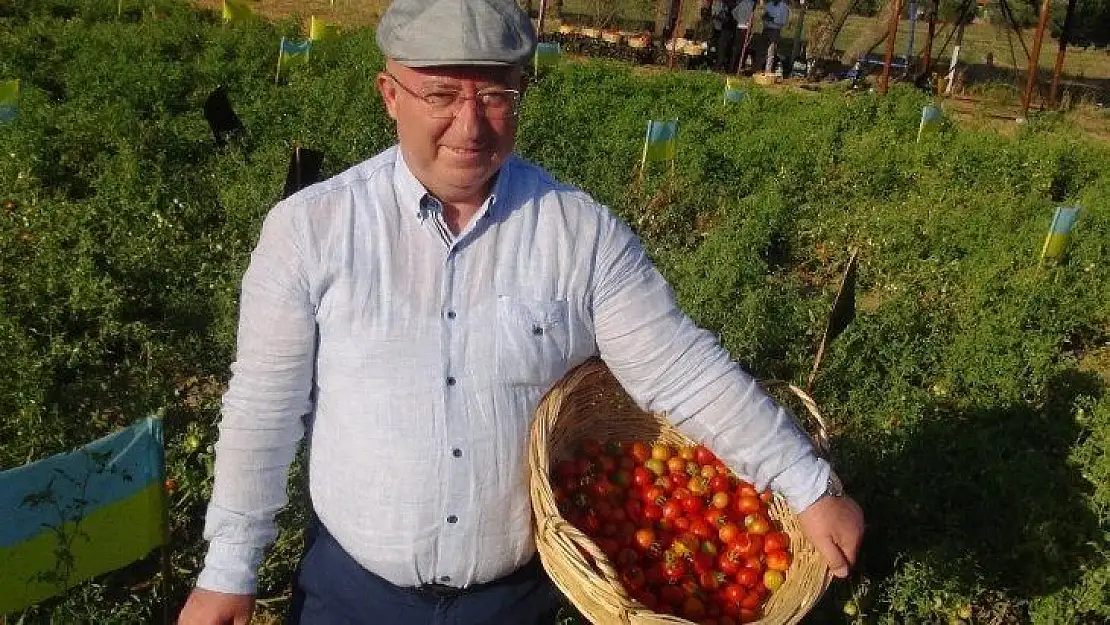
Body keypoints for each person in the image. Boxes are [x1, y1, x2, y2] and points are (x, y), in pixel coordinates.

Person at [177, 0, 865, 623]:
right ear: (390, 95)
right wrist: (227, 569)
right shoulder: (311, 230)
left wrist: (803, 483)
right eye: (441, 94)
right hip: (352, 593)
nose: (469, 125)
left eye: (497, 94)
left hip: (514, 600)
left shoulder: (579, 233)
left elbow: (679, 370)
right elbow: (264, 409)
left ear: (523, 94)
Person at [760, 0, 790, 73]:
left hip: (775, 31)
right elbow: (763, 16)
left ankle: (767, 71)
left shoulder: (784, 7)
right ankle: (759, 68)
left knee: (770, 52)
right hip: (766, 29)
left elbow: (783, 21)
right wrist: (764, 17)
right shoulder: (769, 4)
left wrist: (772, 19)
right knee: (762, 50)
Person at [730, 0, 757, 72]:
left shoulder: (741, 3)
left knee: (737, 48)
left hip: (739, 27)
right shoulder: (752, 4)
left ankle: (732, 67)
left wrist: (739, 20)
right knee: (743, 49)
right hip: (745, 28)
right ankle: (738, 67)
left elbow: (733, 12)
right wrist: (746, 22)